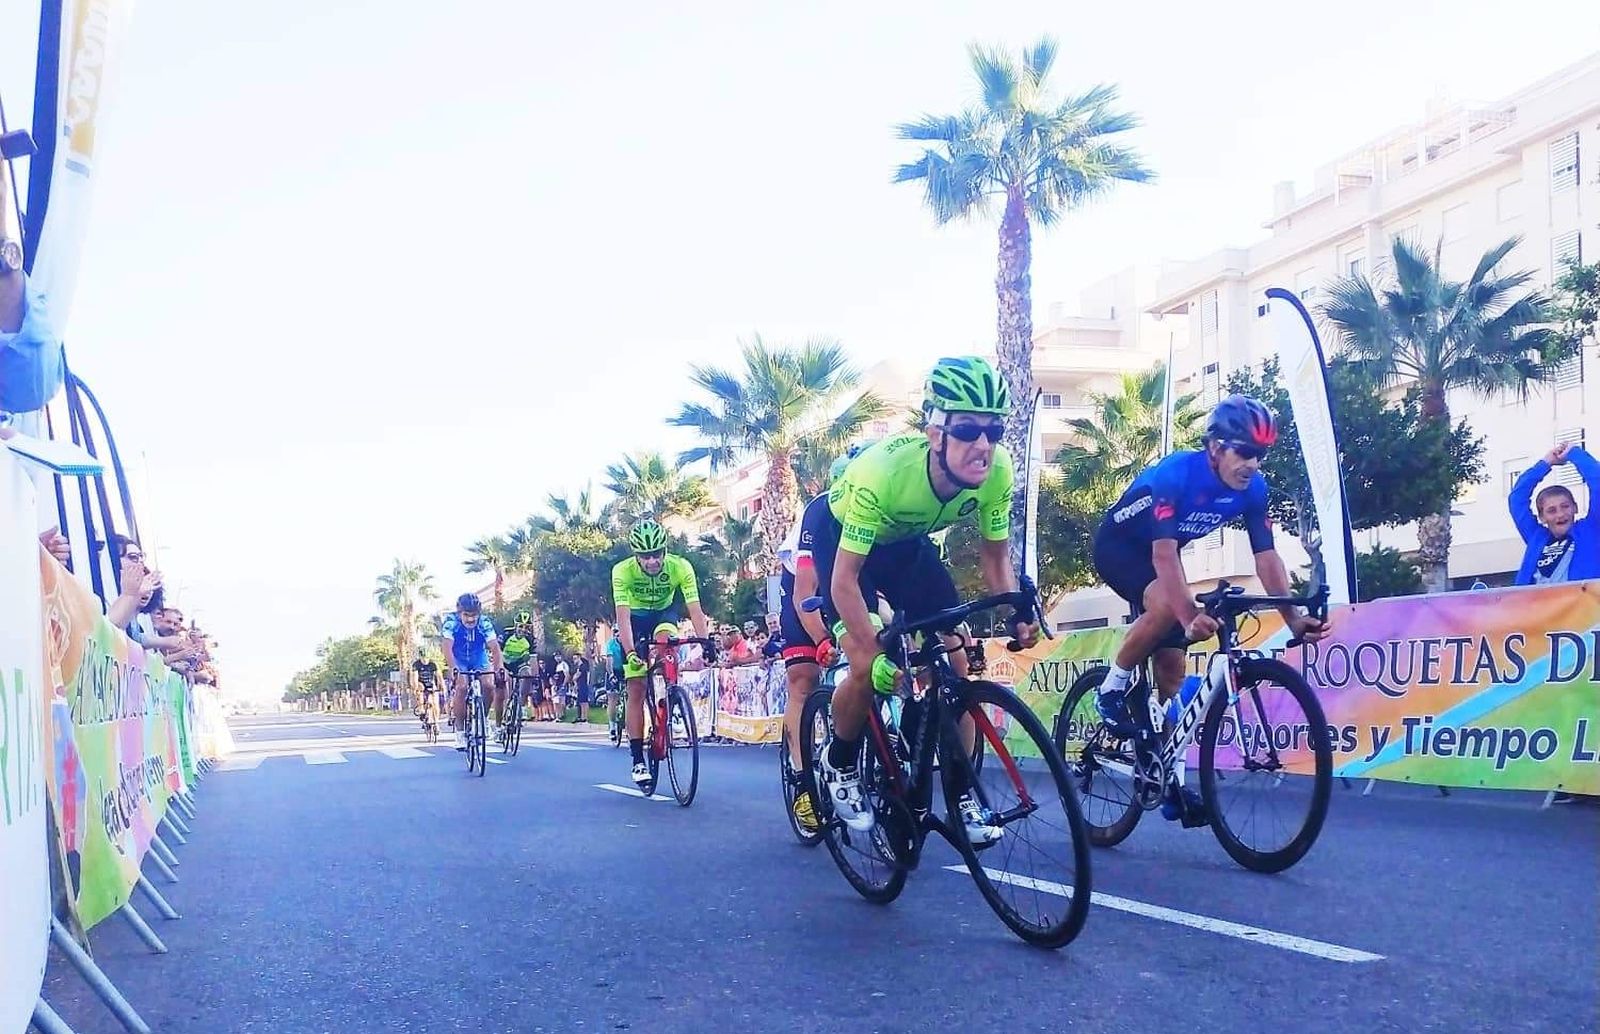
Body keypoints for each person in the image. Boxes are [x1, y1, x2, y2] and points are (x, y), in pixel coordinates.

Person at [812, 357, 1036, 845]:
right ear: (936, 433)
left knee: (956, 668)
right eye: (969, 429)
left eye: (994, 431)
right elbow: (844, 582)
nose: (984, 445)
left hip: (906, 544)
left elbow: (995, 559)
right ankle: (841, 761)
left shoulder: (997, 472)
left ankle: (963, 798)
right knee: (865, 666)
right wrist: (869, 649)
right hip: (845, 544)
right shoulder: (884, 474)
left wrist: (1016, 610)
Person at [1090, 394, 1331, 824]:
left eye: (1260, 455)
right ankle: (1112, 686)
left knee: (1171, 674)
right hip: (1120, 548)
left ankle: (1169, 781)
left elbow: (1267, 557)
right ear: (1216, 447)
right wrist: (1187, 615)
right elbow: (1164, 557)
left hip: (1163, 556)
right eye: (1245, 452)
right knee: (1168, 606)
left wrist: (1292, 618)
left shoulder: (1254, 489)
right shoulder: (1176, 475)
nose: (1253, 464)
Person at [612, 518, 712, 787]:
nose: (652, 561)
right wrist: (631, 652)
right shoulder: (621, 572)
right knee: (636, 686)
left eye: (657, 554)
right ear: (636, 556)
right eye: (645, 556)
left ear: (665, 551)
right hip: (634, 619)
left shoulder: (681, 567)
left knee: (667, 643)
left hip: (663, 615)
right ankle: (637, 760)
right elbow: (622, 619)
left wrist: (706, 641)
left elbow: (695, 609)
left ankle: (669, 696)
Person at [1509, 442, 1599, 586]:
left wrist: (1574, 453)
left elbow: (1598, 482)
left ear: (1575, 507)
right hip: (1537, 606)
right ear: (1542, 517)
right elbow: (1517, 498)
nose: (1560, 514)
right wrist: (1545, 463)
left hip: (1582, 605)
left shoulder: (1591, 529)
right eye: (1551, 510)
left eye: (1565, 506)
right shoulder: (1536, 537)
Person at [438, 594, 506, 751]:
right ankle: (460, 732)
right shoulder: (451, 622)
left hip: (478, 657)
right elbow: (447, 646)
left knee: (489, 685)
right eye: (466, 615)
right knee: (461, 687)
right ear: (459, 613)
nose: (470, 619)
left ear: (479, 613)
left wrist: (499, 667)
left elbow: (494, 647)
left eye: (473, 615)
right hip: (459, 658)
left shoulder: (485, 622)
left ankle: (483, 718)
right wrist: (453, 667)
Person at [501, 613, 537, 724]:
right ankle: (506, 710)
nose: (523, 630)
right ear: (515, 626)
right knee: (508, 686)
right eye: (521, 626)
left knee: (527, 674)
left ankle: (521, 706)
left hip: (520, 664)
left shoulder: (530, 639)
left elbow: (533, 659)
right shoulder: (506, 634)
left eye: (526, 627)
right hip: (505, 663)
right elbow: (496, 652)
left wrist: (535, 676)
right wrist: (501, 668)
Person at [412, 650, 443, 732]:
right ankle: (422, 710)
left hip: (431, 684)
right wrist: (415, 688)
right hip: (421, 684)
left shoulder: (433, 664)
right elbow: (415, 677)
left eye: (426, 658)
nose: (425, 660)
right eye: (423, 658)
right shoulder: (416, 664)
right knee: (420, 693)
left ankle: (436, 722)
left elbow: (439, 676)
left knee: (435, 703)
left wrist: (442, 686)